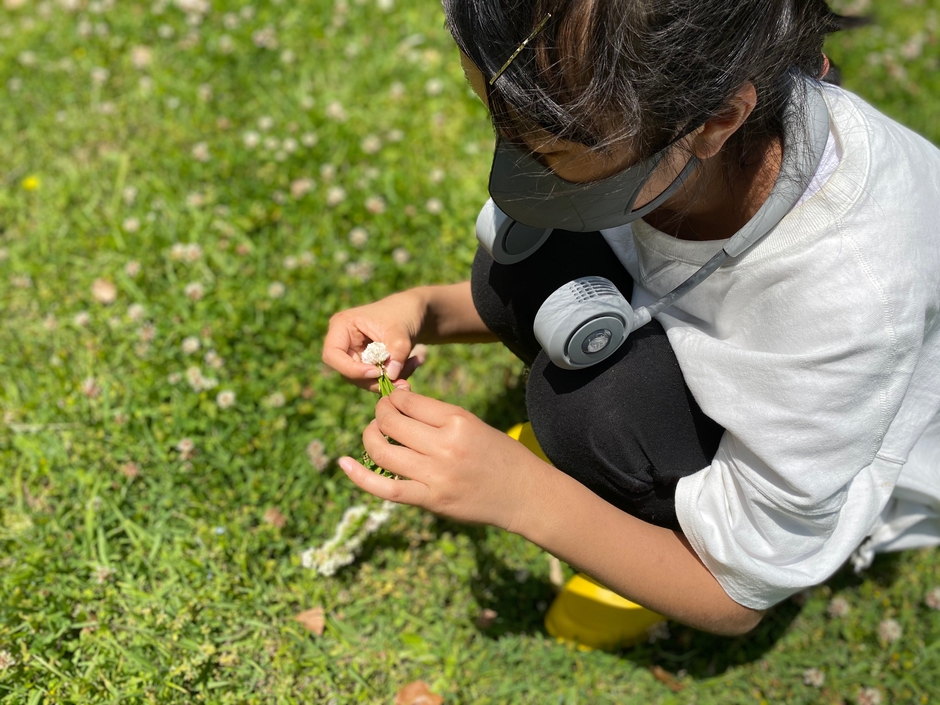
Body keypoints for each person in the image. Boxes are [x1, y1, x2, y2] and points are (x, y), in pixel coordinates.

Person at [322, 0, 940, 636]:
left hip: (813, 446)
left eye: (550, 144)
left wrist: (521, 496)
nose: (518, 164)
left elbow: (739, 600)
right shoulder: (667, 135)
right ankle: (613, 485)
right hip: (705, 307)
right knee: (521, 260)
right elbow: (639, 268)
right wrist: (421, 311)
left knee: (597, 411)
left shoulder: (848, 297)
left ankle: (649, 547)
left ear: (717, 120)